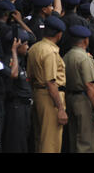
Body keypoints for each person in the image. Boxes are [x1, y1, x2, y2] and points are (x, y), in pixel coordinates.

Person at [27, 15, 68, 153]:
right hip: (50, 98)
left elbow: (30, 77)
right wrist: (60, 109)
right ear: (59, 34)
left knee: (40, 138)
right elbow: (51, 82)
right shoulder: (50, 52)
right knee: (51, 142)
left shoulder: (34, 47)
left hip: (38, 94)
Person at [64, 25, 94, 153]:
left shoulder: (67, 55)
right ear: (86, 40)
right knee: (87, 142)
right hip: (85, 101)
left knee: (74, 139)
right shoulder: (84, 57)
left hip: (71, 98)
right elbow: (89, 85)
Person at [2, 29, 32, 153]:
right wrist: (14, 50)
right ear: (17, 44)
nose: (28, 47)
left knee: (22, 142)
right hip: (16, 108)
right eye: (25, 44)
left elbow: (34, 37)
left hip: (23, 108)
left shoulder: (19, 61)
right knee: (15, 144)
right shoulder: (10, 62)